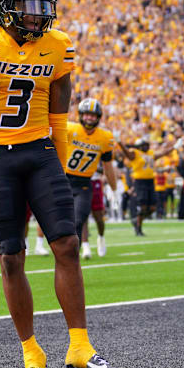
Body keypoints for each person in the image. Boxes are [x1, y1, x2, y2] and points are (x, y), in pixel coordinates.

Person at [0, 0, 117, 368]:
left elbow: (59, 117)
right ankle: (31, 350)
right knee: (11, 257)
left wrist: (57, 164)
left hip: (41, 151)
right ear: (5, 8)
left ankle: (79, 346)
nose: (37, 16)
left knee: (68, 244)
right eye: (27, 8)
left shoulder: (58, 45)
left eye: (43, 8)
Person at [64, 99, 117, 259]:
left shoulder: (105, 137)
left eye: (92, 115)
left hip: (84, 184)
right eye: (86, 114)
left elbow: (108, 166)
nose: (89, 118)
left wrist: (114, 189)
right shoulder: (69, 129)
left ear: (98, 117)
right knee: (61, 223)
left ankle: (73, 258)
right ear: (80, 115)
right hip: (63, 180)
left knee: (79, 220)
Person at [117, 134, 181, 236]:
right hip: (140, 181)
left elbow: (163, 153)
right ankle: (138, 228)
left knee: (152, 208)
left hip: (150, 181)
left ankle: (136, 220)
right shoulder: (135, 153)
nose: (146, 146)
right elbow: (127, 153)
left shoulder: (150, 153)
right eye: (144, 145)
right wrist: (119, 142)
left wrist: (174, 147)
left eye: (146, 144)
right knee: (142, 207)